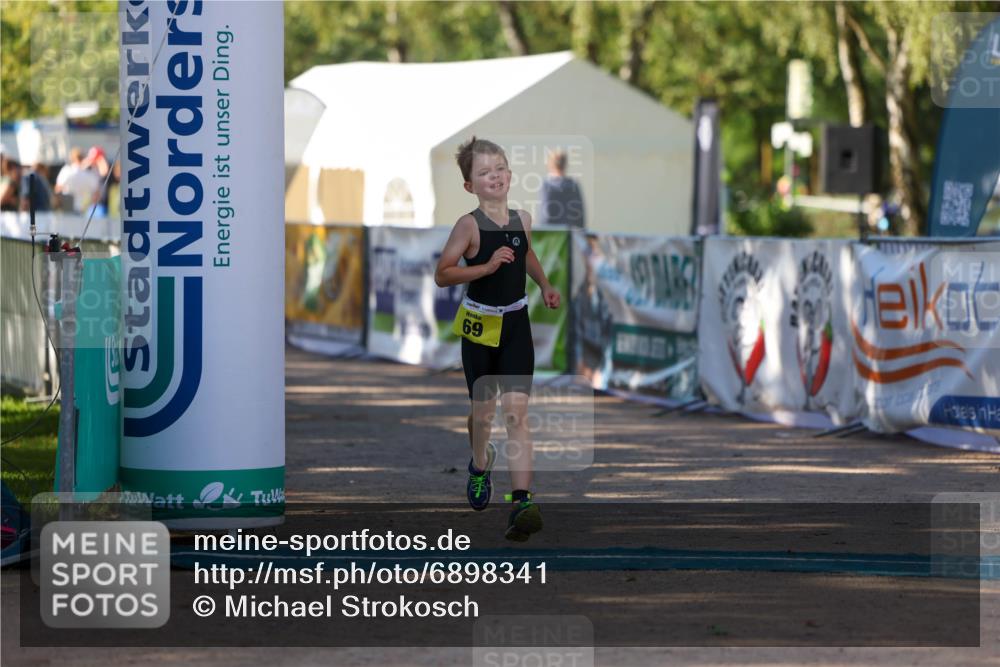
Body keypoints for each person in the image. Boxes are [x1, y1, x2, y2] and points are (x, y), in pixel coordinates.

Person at [434, 137, 561, 541]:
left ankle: (522, 501)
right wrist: (485, 268)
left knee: (516, 414)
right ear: (470, 185)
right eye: (485, 173)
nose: (495, 177)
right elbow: (443, 273)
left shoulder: (522, 218)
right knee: (482, 416)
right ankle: (478, 463)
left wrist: (544, 284)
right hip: (479, 326)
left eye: (501, 168)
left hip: (516, 323)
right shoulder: (468, 225)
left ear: (510, 173)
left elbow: (527, 254)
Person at [539, 149, 585, 228]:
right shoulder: (574, 184)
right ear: (566, 164)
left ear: (550, 164)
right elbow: (580, 214)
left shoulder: (547, 185)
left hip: (552, 234)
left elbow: (546, 214)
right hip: (570, 233)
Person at [55, 147, 101, 214]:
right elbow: (96, 196)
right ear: (83, 158)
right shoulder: (90, 176)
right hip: (84, 212)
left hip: (66, 211)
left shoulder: (66, 171)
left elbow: (57, 190)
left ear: (72, 158)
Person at [82, 146, 117, 218]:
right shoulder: (91, 168)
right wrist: (89, 161)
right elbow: (81, 169)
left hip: (102, 203)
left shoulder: (105, 166)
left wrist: (100, 159)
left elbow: (104, 173)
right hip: (90, 203)